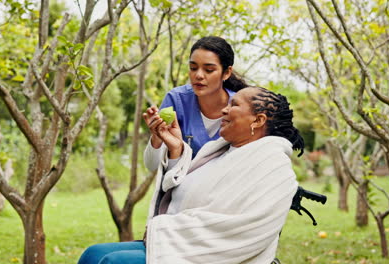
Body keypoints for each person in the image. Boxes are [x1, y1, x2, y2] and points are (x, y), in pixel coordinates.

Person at [78, 86, 305, 264]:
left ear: (258, 120)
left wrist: (168, 230)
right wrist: (175, 149)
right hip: (181, 242)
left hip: (210, 255)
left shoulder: (273, 167)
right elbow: (186, 190)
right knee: (92, 254)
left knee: (112, 262)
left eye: (234, 105)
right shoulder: (223, 151)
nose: (224, 110)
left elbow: (244, 229)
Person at [143, 36, 248, 172]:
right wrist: (157, 137)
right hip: (180, 189)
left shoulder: (242, 108)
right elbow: (152, 167)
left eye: (208, 70)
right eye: (193, 68)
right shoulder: (176, 100)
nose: (198, 75)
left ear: (227, 73)